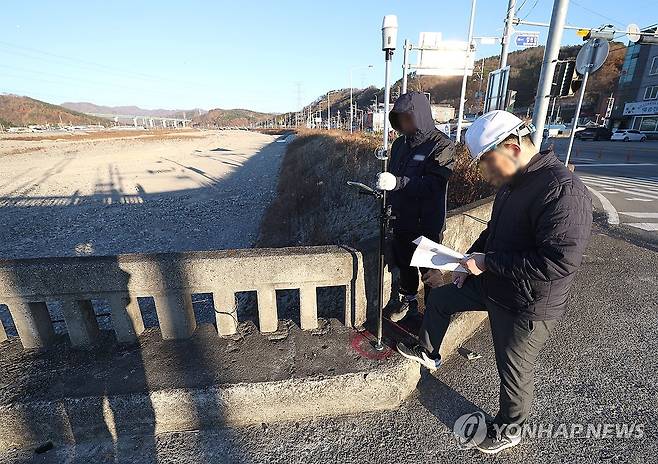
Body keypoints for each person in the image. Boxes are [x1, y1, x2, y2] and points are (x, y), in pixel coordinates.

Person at [397, 110, 593, 454]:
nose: (486, 175)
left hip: (528, 302)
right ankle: (429, 351)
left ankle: (510, 429)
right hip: (495, 282)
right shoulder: (513, 182)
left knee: (513, 369)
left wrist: (488, 263)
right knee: (441, 300)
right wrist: (464, 262)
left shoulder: (563, 191)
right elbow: (492, 232)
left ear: (514, 147)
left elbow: (559, 261)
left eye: (488, 163)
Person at [375, 91, 455, 322]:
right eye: (399, 118)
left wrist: (397, 182)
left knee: (430, 271)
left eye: (408, 117)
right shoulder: (399, 144)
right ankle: (408, 303)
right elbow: (395, 179)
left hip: (427, 222)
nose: (403, 123)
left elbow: (435, 184)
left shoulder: (441, 145)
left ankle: (435, 314)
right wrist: (386, 189)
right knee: (405, 264)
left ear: (420, 115)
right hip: (401, 219)